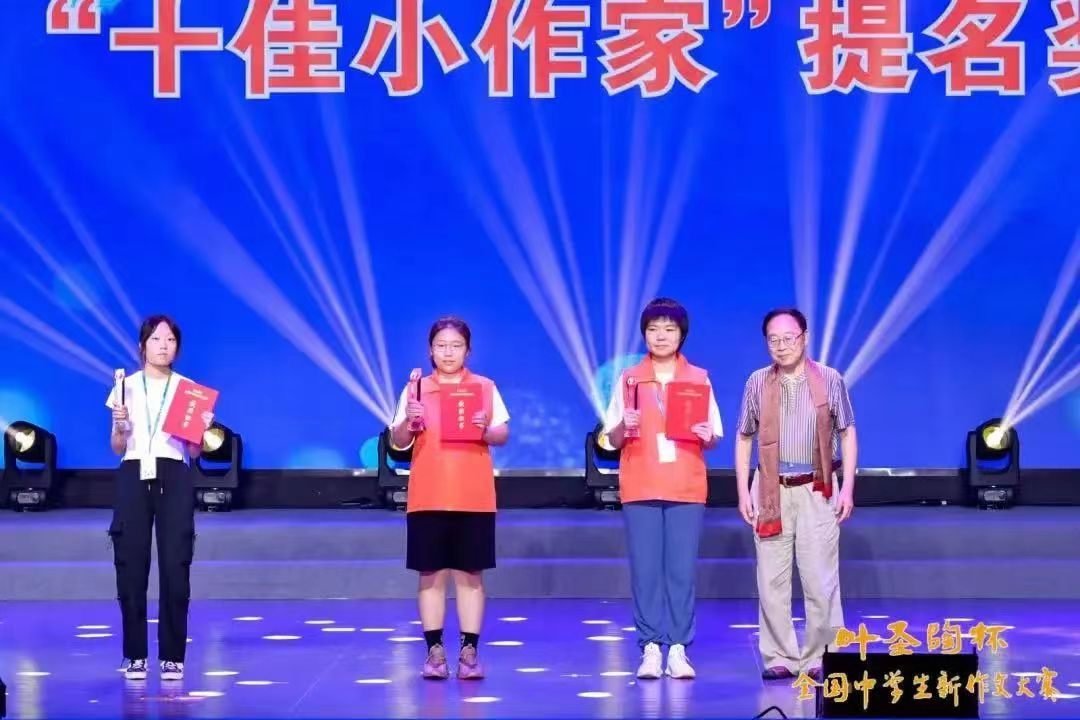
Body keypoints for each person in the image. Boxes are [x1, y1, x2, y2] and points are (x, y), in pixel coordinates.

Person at [734, 308, 857, 682]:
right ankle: (780, 656)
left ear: (804, 337)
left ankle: (822, 655)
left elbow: (848, 433)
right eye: (773, 339)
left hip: (817, 487)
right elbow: (744, 436)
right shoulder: (757, 381)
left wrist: (847, 488)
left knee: (820, 578)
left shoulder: (830, 379)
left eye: (789, 338)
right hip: (770, 488)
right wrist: (743, 491)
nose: (781, 345)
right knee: (771, 579)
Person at [603, 298, 723, 680]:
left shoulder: (698, 378)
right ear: (644, 334)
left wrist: (706, 434)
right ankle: (651, 647)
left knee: (681, 571)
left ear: (681, 335)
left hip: (685, 486)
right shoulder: (630, 380)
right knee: (646, 571)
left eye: (669, 329)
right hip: (641, 483)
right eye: (654, 329)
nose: (661, 336)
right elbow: (612, 439)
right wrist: (624, 425)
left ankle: (679, 648)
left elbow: (714, 435)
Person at [389, 316, 510, 680]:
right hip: (428, 495)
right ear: (430, 350)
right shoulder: (416, 389)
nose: (448, 352)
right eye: (441, 346)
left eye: (456, 346)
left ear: (468, 350)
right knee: (431, 576)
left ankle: (469, 652)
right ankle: (435, 652)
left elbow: (502, 434)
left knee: (471, 576)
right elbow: (398, 441)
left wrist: (484, 429)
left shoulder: (485, 387)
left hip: (473, 496)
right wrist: (409, 421)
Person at [106, 315, 212, 681]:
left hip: (174, 474)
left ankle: (172, 656)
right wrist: (121, 428)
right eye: (156, 339)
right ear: (142, 346)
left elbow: (194, 452)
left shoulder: (188, 390)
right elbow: (116, 446)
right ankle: (135, 654)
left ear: (177, 347)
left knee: (175, 564)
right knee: (131, 566)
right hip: (134, 473)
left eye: (170, 340)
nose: (163, 346)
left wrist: (201, 432)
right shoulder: (125, 387)